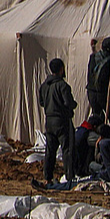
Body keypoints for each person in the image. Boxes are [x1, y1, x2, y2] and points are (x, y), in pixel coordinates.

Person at [38, 57, 78, 185]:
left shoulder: (44, 86)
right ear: (61, 69)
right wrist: (72, 105)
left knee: (50, 151)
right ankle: (69, 177)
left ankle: (47, 177)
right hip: (62, 121)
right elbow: (69, 103)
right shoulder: (62, 85)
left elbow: (42, 102)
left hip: (49, 121)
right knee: (67, 149)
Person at [85, 37, 110, 129]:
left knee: (97, 117)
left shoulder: (93, 57)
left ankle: (97, 135)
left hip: (91, 93)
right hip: (103, 93)